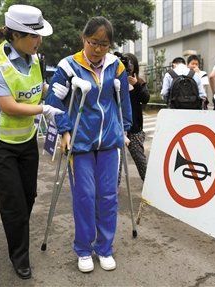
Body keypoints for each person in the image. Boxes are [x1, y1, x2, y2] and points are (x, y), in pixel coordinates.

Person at [0, 5, 62, 279]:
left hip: (24, 138)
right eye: (33, 36)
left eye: (39, 36)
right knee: (13, 201)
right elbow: (9, 106)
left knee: (29, 195)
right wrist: (44, 110)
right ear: (15, 35)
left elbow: (37, 89)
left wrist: (54, 92)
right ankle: (19, 256)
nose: (39, 41)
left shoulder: (34, 58)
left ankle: (16, 235)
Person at [46, 16, 132, 273]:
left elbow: (123, 100)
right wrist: (64, 131)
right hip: (80, 142)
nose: (98, 48)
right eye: (93, 42)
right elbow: (53, 101)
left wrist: (125, 129)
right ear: (84, 39)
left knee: (107, 197)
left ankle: (104, 248)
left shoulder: (116, 67)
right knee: (85, 197)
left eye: (104, 44)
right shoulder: (68, 66)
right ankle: (83, 249)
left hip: (108, 141)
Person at [122, 52, 149, 181]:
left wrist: (136, 84)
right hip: (118, 127)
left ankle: (149, 184)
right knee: (116, 163)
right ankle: (112, 189)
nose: (128, 66)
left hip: (135, 128)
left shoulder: (140, 81)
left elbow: (145, 99)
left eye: (130, 63)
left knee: (140, 159)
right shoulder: (115, 81)